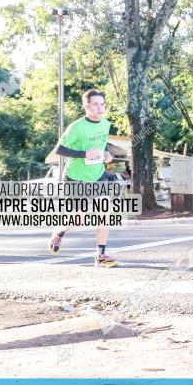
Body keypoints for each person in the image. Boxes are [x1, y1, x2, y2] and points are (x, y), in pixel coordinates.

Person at [46, 89, 117, 267]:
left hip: (97, 176)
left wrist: (107, 154)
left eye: (102, 104)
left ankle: (100, 254)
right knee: (79, 217)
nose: (100, 108)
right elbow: (60, 150)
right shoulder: (76, 127)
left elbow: (101, 145)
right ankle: (59, 232)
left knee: (104, 212)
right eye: (95, 104)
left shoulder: (106, 124)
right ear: (87, 106)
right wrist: (84, 154)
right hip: (76, 177)